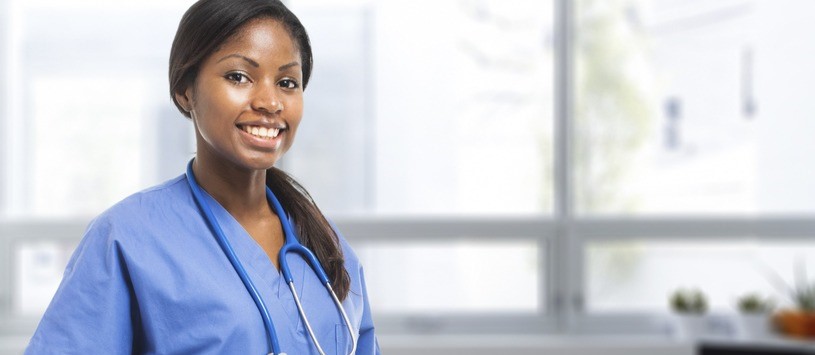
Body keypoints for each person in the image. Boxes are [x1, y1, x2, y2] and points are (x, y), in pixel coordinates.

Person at [24, 0, 379, 354]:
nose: (270, 102)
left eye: (287, 82)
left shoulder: (326, 246)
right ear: (185, 89)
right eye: (239, 76)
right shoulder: (126, 239)